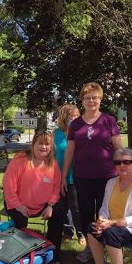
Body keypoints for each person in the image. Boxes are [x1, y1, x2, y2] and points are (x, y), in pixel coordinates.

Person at [61, 82, 122, 262]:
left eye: (95, 97)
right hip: (83, 178)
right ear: (82, 101)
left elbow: (119, 149)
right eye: (87, 98)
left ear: (100, 99)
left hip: (108, 177)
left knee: (105, 214)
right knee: (86, 214)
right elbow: (70, 152)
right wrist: (64, 176)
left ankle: (107, 246)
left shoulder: (109, 121)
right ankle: (91, 248)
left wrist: (123, 173)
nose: (91, 101)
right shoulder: (76, 125)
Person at [3, 131, 64, 264]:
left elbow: (56, 188)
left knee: (59, 213)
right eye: (40, 143)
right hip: (18, 203)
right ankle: (20, 255)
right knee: (20, 219)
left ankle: (52, 253)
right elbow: (8, 184)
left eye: (47, 144)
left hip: (43, 205)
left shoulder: (53, 164)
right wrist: (17, 205)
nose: (44, 147)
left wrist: (50, 206)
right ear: (33, 145)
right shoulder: (20, 159)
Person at [53, 104, 85, 245]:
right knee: (62, 207)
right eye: (72, 116)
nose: (75, 118)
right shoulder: (56, 134)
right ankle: (67, 231)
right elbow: (52, 155)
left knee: (77, 208)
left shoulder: (82, 133)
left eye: (77, 115)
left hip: (76, 175)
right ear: (64, 118)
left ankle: (81, 233)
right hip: (60, 176)